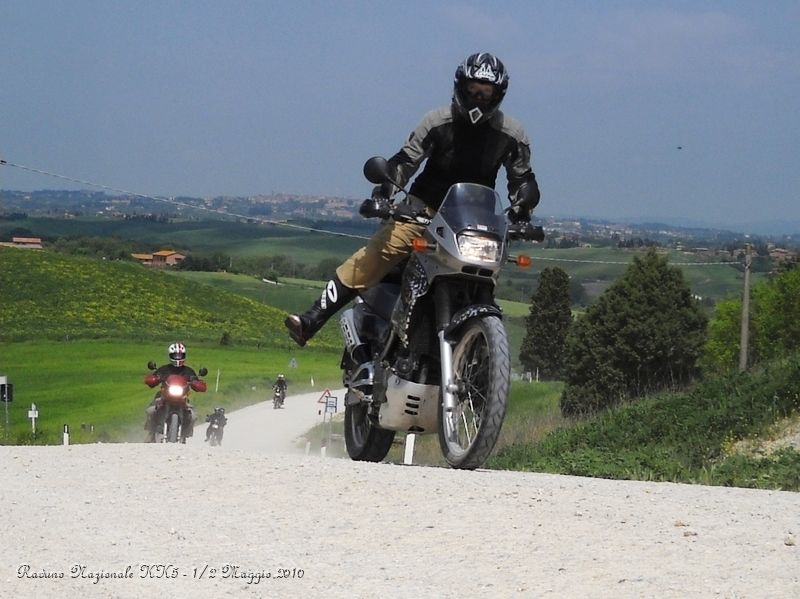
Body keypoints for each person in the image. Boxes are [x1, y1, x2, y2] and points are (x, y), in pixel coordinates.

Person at [285, 52, 540, 347]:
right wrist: (384, 193)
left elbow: (522, 178)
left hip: (474, 223)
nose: (479, 98)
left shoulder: (512, 134)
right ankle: (312, 318)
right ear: (460, 87)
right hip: (424, 212)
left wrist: (522, 210)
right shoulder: (436, 121)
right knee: (379, 253)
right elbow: (404, 162)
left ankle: (483, 355)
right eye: (473, 90)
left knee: (489, 271)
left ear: (499, 94)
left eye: (487, 92)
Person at [143, 342, 207, 442]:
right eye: (175, 355)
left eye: (180, 355)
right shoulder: (164, 369)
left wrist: (197, 383)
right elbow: (152, 379)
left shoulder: (188, 371)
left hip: (182, 398)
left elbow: (197, 382)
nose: (177, 357)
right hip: (164, 396)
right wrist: (154, 378)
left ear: (184, 356)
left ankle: (185, 435)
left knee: (193, 416)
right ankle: (151, 433)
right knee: (151, 410)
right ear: (170, 356)